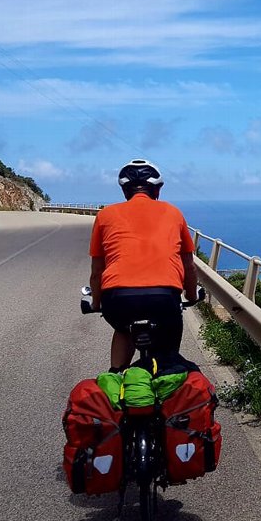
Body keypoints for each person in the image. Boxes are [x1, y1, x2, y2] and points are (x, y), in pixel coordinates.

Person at [88, 159, 198, 372]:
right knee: (168, 357)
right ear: (157, 189)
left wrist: (95, 302)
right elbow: (189, 266)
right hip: (165, 297)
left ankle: (117, 376)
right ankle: (166, 377)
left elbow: (97, 272)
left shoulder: (105, 215)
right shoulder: (173, 212)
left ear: (124, 191)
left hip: (117, 299)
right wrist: (192, 295)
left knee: (122, 329)